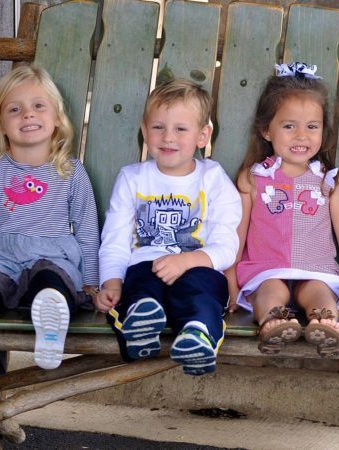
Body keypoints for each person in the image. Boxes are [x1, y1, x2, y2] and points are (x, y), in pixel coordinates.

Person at [0, 65, 99, 396]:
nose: (27, 114)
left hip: (51, 257)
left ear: (57, 117)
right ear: (1, 123)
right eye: (15, 109)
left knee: (52, 284)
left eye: (38, 106)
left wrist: (91, 282)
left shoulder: (70, 171)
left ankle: (50, 333)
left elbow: (86, 229)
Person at [96, 79, 241, 376]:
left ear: (203, 136)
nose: (167, 137)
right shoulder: (132, 178)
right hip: (144, 266)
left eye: (180, 129)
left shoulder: (213, 179)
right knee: (140, 291)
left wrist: (187, 260)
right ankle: (139, 330)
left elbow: (227, 244)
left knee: (201, 294)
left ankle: (197, 335)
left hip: (198, 267)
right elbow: (115, 239)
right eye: (158, 127)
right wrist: (111, 281)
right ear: (144, 130)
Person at [226, 62, 339, 358]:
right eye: (289, 126)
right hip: (266, 268)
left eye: (311, 127)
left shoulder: (329, 179)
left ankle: (324, 322)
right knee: (270, 290)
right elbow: (235, 236)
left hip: (316, 268)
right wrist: (231, 286)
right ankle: (273, 322)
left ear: (323, 132)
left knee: (318, 291)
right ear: (266, 130)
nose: (302, 136)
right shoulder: (254, 178)